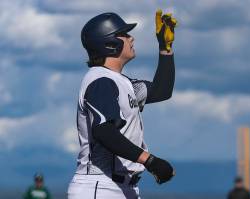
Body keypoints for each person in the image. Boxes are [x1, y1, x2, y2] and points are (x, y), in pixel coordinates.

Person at [67, 10, 177, 199]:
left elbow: (162, 90)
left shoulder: (123, 83)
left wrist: (165, 48)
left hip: (122, 188)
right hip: (100, 186)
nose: (131, 38)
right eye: (124, 34)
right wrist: (149, 160)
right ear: (110, 44)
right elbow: (104, 131)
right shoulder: (100, 81)